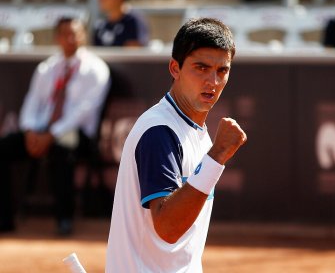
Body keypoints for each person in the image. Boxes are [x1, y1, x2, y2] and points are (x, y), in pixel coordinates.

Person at [106, 17, 247, 272]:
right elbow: (168, 228)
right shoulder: (159, 131)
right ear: (175, 68)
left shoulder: (195, 132)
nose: (213, 82)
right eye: (201, 68)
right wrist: (216, 157)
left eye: (221, 71)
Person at [0, 17, 111, 235]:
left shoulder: (96, 69)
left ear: (83, 36)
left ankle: (64, 219)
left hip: (78, 135)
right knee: (3, 148)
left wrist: (50, 135)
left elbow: (83, 112)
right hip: (40, 131)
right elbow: (32, 102)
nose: (70, 38)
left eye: (75, 33)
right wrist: (30, 131)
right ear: (57, 38)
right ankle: (4, 218)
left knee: (62, 150)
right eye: (64, 34)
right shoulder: (46, 68)